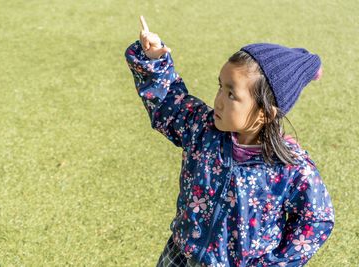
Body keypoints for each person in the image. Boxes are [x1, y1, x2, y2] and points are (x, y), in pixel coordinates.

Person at [124, 15, 335, 267]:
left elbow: (316, 219)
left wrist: (273, 263)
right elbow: (168, 101)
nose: (219, 100)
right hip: (180, 255)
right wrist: (154, 61)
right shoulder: (203, 128)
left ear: (265, 113)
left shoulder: (289, 166)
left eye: (232, 93)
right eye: (220, 87)